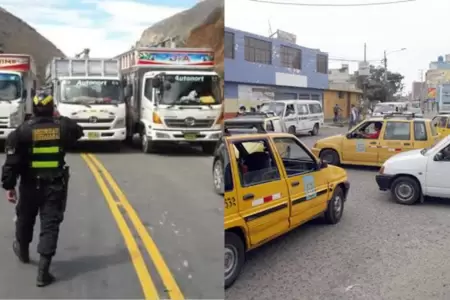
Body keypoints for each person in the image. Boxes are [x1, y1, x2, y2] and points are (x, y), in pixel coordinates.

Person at [1, 91, 83, 287]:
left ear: (33, 109)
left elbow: (11, 162)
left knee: (24, 220)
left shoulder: (22, 131)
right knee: (50, 226)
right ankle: (43, 273)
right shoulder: (62, 127)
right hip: (54, 186)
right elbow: (78, 132)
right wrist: (58, 118)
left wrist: (9, 186)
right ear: (52, 108)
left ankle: (22, 252)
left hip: (29, 186)